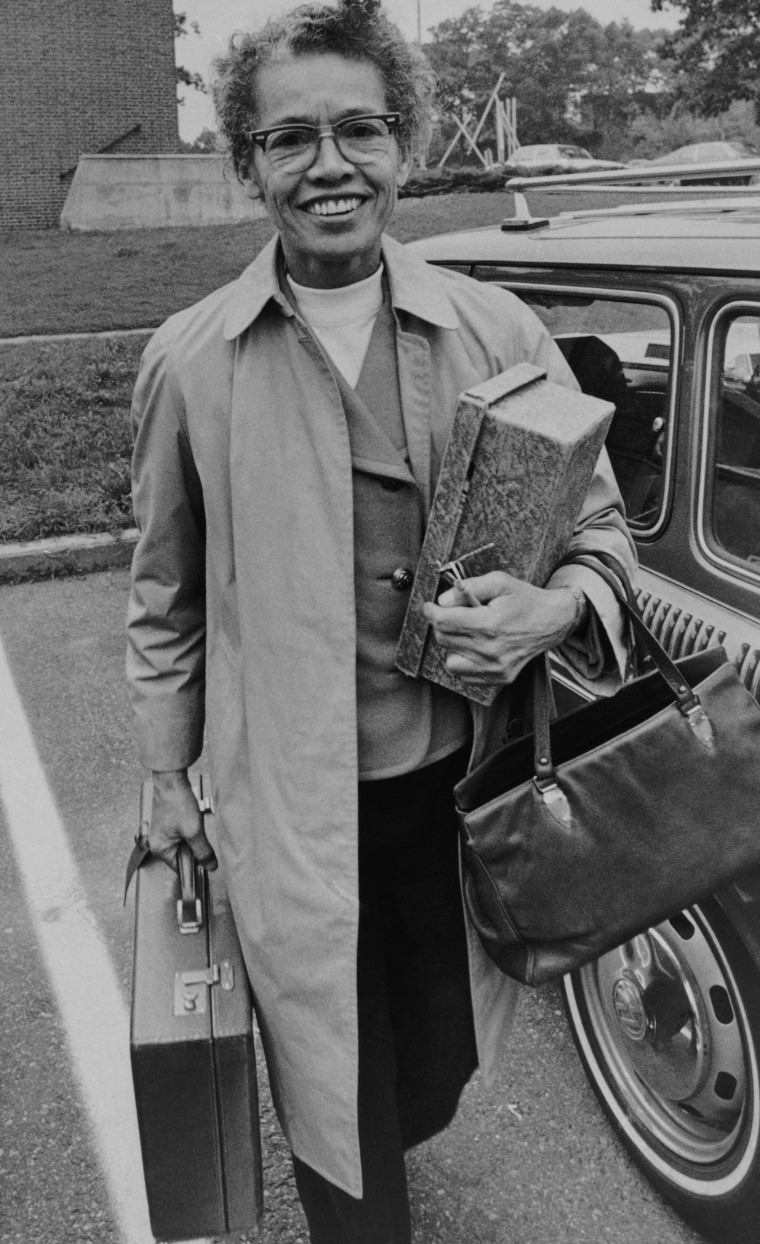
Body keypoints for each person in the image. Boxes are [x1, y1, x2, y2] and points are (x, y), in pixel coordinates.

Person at [126, 2, 636, 1240]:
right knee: (338, 1111)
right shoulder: (190, 360)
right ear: (247, 162)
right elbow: (163, 591)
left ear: (405, 146)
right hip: (293, 812)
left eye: (360, 129)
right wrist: (163, 776)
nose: (329, 166)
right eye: (290, 138)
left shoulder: (499, 332)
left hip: (462, 792)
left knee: (428, 1060)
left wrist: (552, 606)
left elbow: (603, 538)